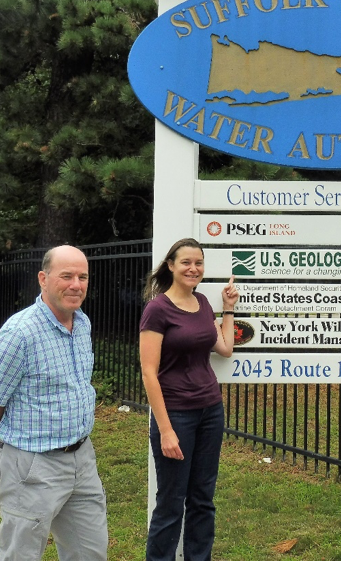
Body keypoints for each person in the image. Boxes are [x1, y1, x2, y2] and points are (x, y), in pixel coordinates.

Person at [0, 245, 107, 561]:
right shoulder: (19, 334)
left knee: (89, 552)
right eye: (67, 276)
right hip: (32, 466)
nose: (76, 284)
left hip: (82, 460)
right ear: (43, 279)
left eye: (82, 277)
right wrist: (11, 443)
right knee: (21, 554)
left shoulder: (82, 324)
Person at [140, 237, 239, 561]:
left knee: (202, 499)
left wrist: (228, 310)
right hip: (177, 416)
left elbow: (224, 348)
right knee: (171, 502)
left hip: (210, 410)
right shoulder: (157, 310)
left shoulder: (203, 304)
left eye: (198, 262)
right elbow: (149, 373)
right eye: (186, 262)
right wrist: (166, 430)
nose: (193, 268)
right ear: (171, 265)